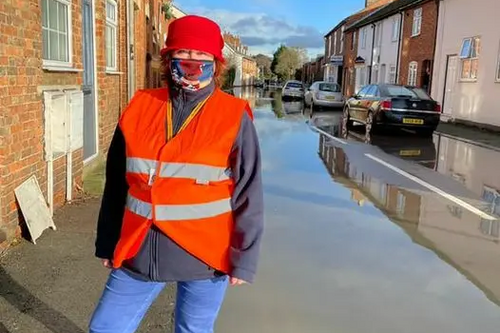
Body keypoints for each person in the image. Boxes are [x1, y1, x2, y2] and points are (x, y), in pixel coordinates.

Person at [89, 15, 264, 333]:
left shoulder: (233, 116)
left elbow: (249, 193)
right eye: (183, 53)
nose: (192, 62)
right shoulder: (140, 106)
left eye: (201, 55)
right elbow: (116, 183)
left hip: (206, 257)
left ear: (216, 62)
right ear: (167, 57)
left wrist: (245, 258)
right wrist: (107, 240)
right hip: (138, 249)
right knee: (105, 327)